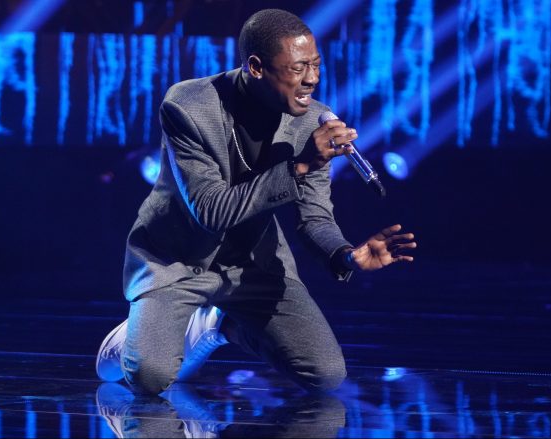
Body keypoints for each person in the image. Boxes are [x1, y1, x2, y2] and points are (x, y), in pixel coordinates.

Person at [96, 8, 416, 395]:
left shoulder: (312, 121)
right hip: (176, 259)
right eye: (298, 68)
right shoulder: (188, 105)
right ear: (256, 67)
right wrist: (300, 165)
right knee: (150, 377)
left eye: (316, 65)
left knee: (325, 374)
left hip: (252, 263)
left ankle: (221, 325)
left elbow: (314, 218)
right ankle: (131, 340)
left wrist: (348, 255)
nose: (312, 78)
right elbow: (210, 211)